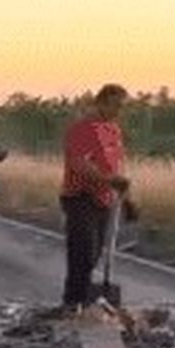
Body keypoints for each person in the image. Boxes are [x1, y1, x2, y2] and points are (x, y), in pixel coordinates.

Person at [61, 83, 132, 310]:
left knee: (95, 254)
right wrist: (109, 180)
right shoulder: (83, 128)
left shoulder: (113, 130)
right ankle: (73, 302)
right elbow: (79, 163)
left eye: (122, 107)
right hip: (80, 196)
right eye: (114, 105)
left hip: (105, 199)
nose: (118, 111)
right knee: (83, 250)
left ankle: (83, 299)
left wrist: (128, 199)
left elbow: (116, 167)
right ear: (100, 102)